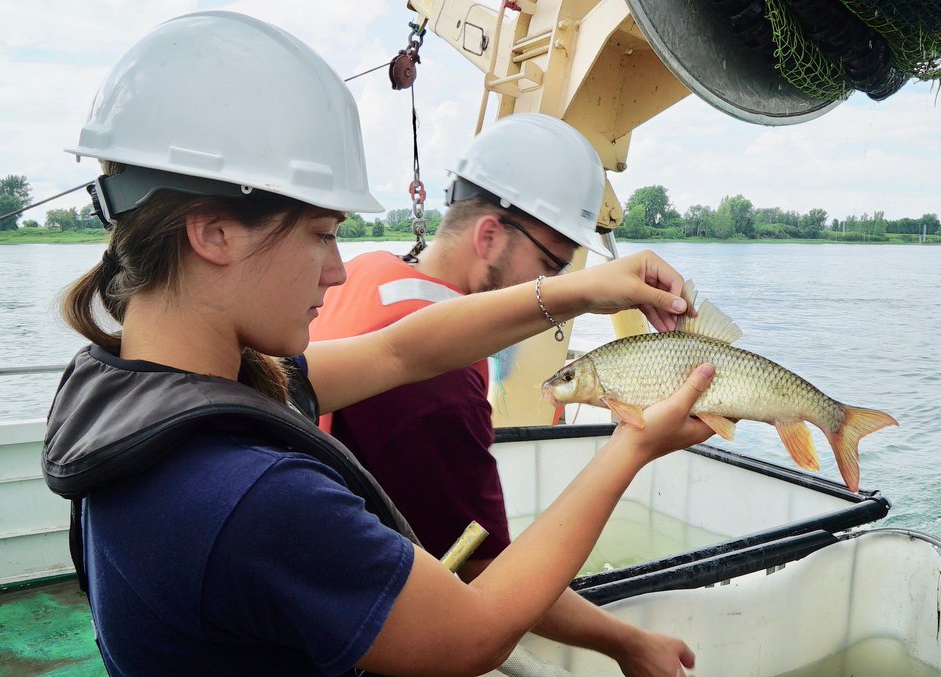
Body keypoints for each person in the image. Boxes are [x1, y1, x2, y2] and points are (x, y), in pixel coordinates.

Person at [43, 11, 716, 677]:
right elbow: (471, 635)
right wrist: (633, 445)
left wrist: (582, 291)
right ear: (214, 233)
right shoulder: (252, 495)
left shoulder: (139, 389)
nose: (337, 269)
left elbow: (403, 352)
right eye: (322, 232)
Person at [309, 113, 697, 675]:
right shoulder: (441, 387)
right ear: (488, 235)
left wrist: (574, 295)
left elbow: (402, 348)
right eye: (549, 268)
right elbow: (486, 575)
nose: (555, 288)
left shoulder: (370, 270)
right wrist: (630, 643)